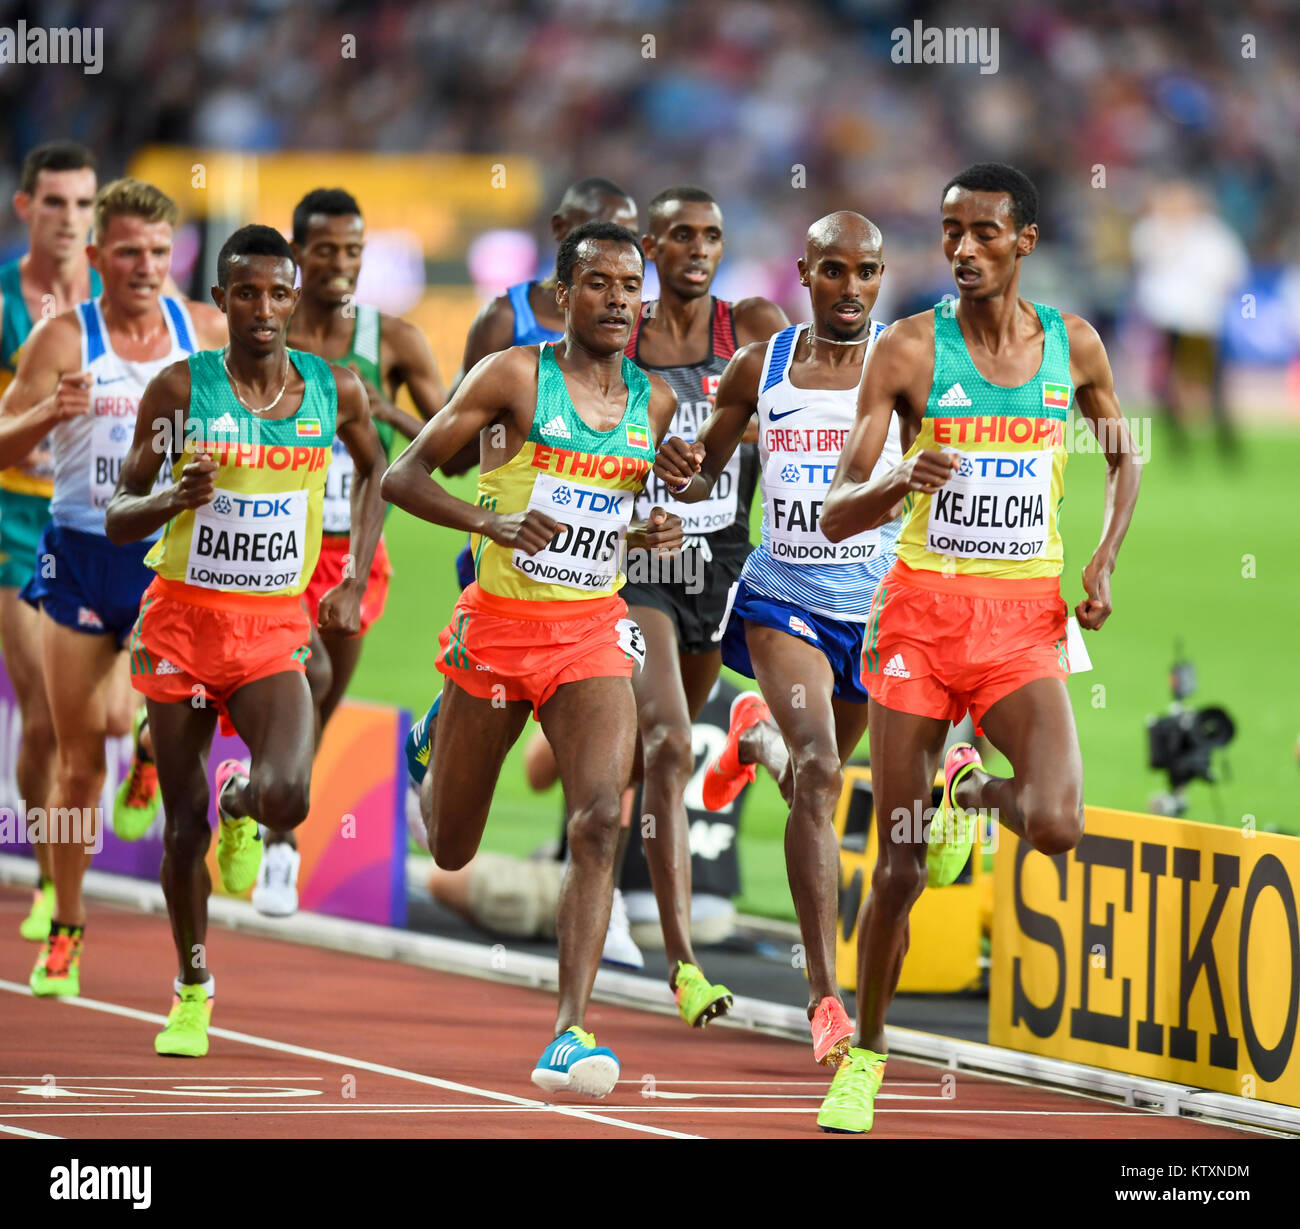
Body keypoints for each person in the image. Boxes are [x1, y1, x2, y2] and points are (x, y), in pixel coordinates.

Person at [815, 162, 1141, 1133]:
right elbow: (836, 513)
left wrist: (1104, 559)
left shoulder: (1072, 347)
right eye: (950, 230)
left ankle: (971, 790)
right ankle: (864, 1055)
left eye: (984, 232)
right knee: (901, 867)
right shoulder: (909, 352)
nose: (962, 249)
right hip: (919, 618)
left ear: (1025, 242)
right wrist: (899, 482)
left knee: (1054, 820)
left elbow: (1124, 452)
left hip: (1023, 622)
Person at [383, 220, 681, 1098]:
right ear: (562, 295)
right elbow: (404, 475)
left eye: (631, 286)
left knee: (599, 816)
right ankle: (433, 742)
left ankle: (568, 1029)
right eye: (599, 284)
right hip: (502, 628)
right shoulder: (514, 375)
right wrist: (491, 522)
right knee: (449, 846)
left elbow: (629, 513)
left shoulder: (654, 402)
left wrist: (654, 527)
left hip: (591, 627)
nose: (618, 300)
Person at [104, 224, 384, 1057]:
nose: (264, 309)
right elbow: (120, 515)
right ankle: (193, 988)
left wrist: (353, 572)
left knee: (289, 795)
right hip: (185, 624)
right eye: (247, 293)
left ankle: (244, 802)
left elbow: (379, 472)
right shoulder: (178, 392)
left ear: (296, 300)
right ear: (222, 300)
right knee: (182, 825)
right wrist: (170, 500)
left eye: (279, 293)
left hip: (271, 628)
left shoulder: (335, 391)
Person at [653, 211, 900, 1067]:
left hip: (874, 610)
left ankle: (751, 741)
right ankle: (824, 996)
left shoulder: (908, 365)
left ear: (881, 276)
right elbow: (705, 468)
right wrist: (663, 484)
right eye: (833, 271)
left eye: (866, 273)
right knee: (825, 770)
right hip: (783, 593)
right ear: (806, 273)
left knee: (811, 784)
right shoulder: (766, 365)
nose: (851, 289)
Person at [0, 179, 228, 996]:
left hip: (165, 554)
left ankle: (145, 739)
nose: (145, 266)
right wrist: (44, 416)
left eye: (161, 253)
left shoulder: (201, 332)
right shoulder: (64, 337)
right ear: (96, 257)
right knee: (77, 760)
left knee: (133, 735)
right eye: (128, 251)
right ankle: (65, 924)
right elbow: (2, 445)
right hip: (77, 554)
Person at [247, 187, 446, 917]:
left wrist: (380, 408)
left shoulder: (393, 341)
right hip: (273, 546)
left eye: (352, 251)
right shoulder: (266, 327)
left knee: (319, 705)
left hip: (356, 550)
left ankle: (262, 804)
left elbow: (461, 449)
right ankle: (279, 846)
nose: (339, 265)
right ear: (296, 254)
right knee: (307, 674)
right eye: (323, 250)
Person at [620, 185, 787, 1024]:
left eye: (712, 235)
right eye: (680, 234)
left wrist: (743, 430)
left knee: (653, 756)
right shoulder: (628, 335)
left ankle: (598, 845)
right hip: (642, 552)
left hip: (721, 556)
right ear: (650, 245)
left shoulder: (751, 325)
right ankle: (683, 963)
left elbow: (811, 406)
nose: (697, 247)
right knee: (667, 741)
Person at [0, 141, 102, 943]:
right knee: (42, 718)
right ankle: (47, 873)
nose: (71, 219)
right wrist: (36, 423)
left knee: (90, 721)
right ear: (26, 208)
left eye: (83, 203)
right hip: (12, 519)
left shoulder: (123, 297)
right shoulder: (2, 299)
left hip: (96, 522)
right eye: (56, 203)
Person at [1130, 180, 1248, 456]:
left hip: (1201, 321)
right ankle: (1178, 442)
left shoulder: (1212, 235)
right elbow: (1144, 258)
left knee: (1210, 383)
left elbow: (1232, 271)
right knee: (1165, 383)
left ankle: (1225, 442)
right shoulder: (1153, 230)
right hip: (1166, 320)